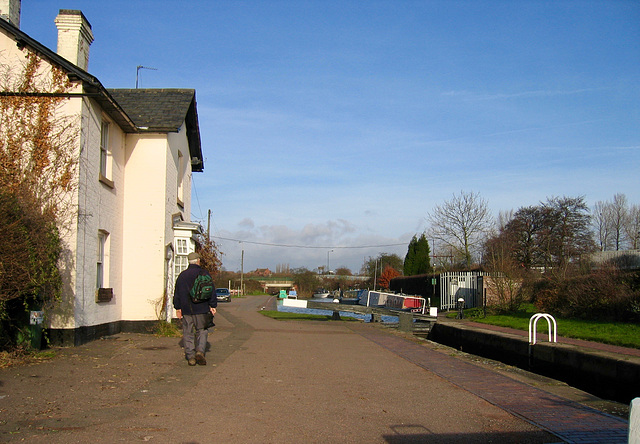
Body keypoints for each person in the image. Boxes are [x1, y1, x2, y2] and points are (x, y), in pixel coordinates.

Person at [173, 252, 217, 366]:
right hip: (201, 308)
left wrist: (178, 308)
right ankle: (200, 351)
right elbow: (211, 290)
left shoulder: (182, 276)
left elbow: (177, 293)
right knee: (202, 331)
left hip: (187, 309)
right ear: (198, 260)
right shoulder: (203, 273)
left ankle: (190, 356)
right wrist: (213, 305)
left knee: (188, 332)